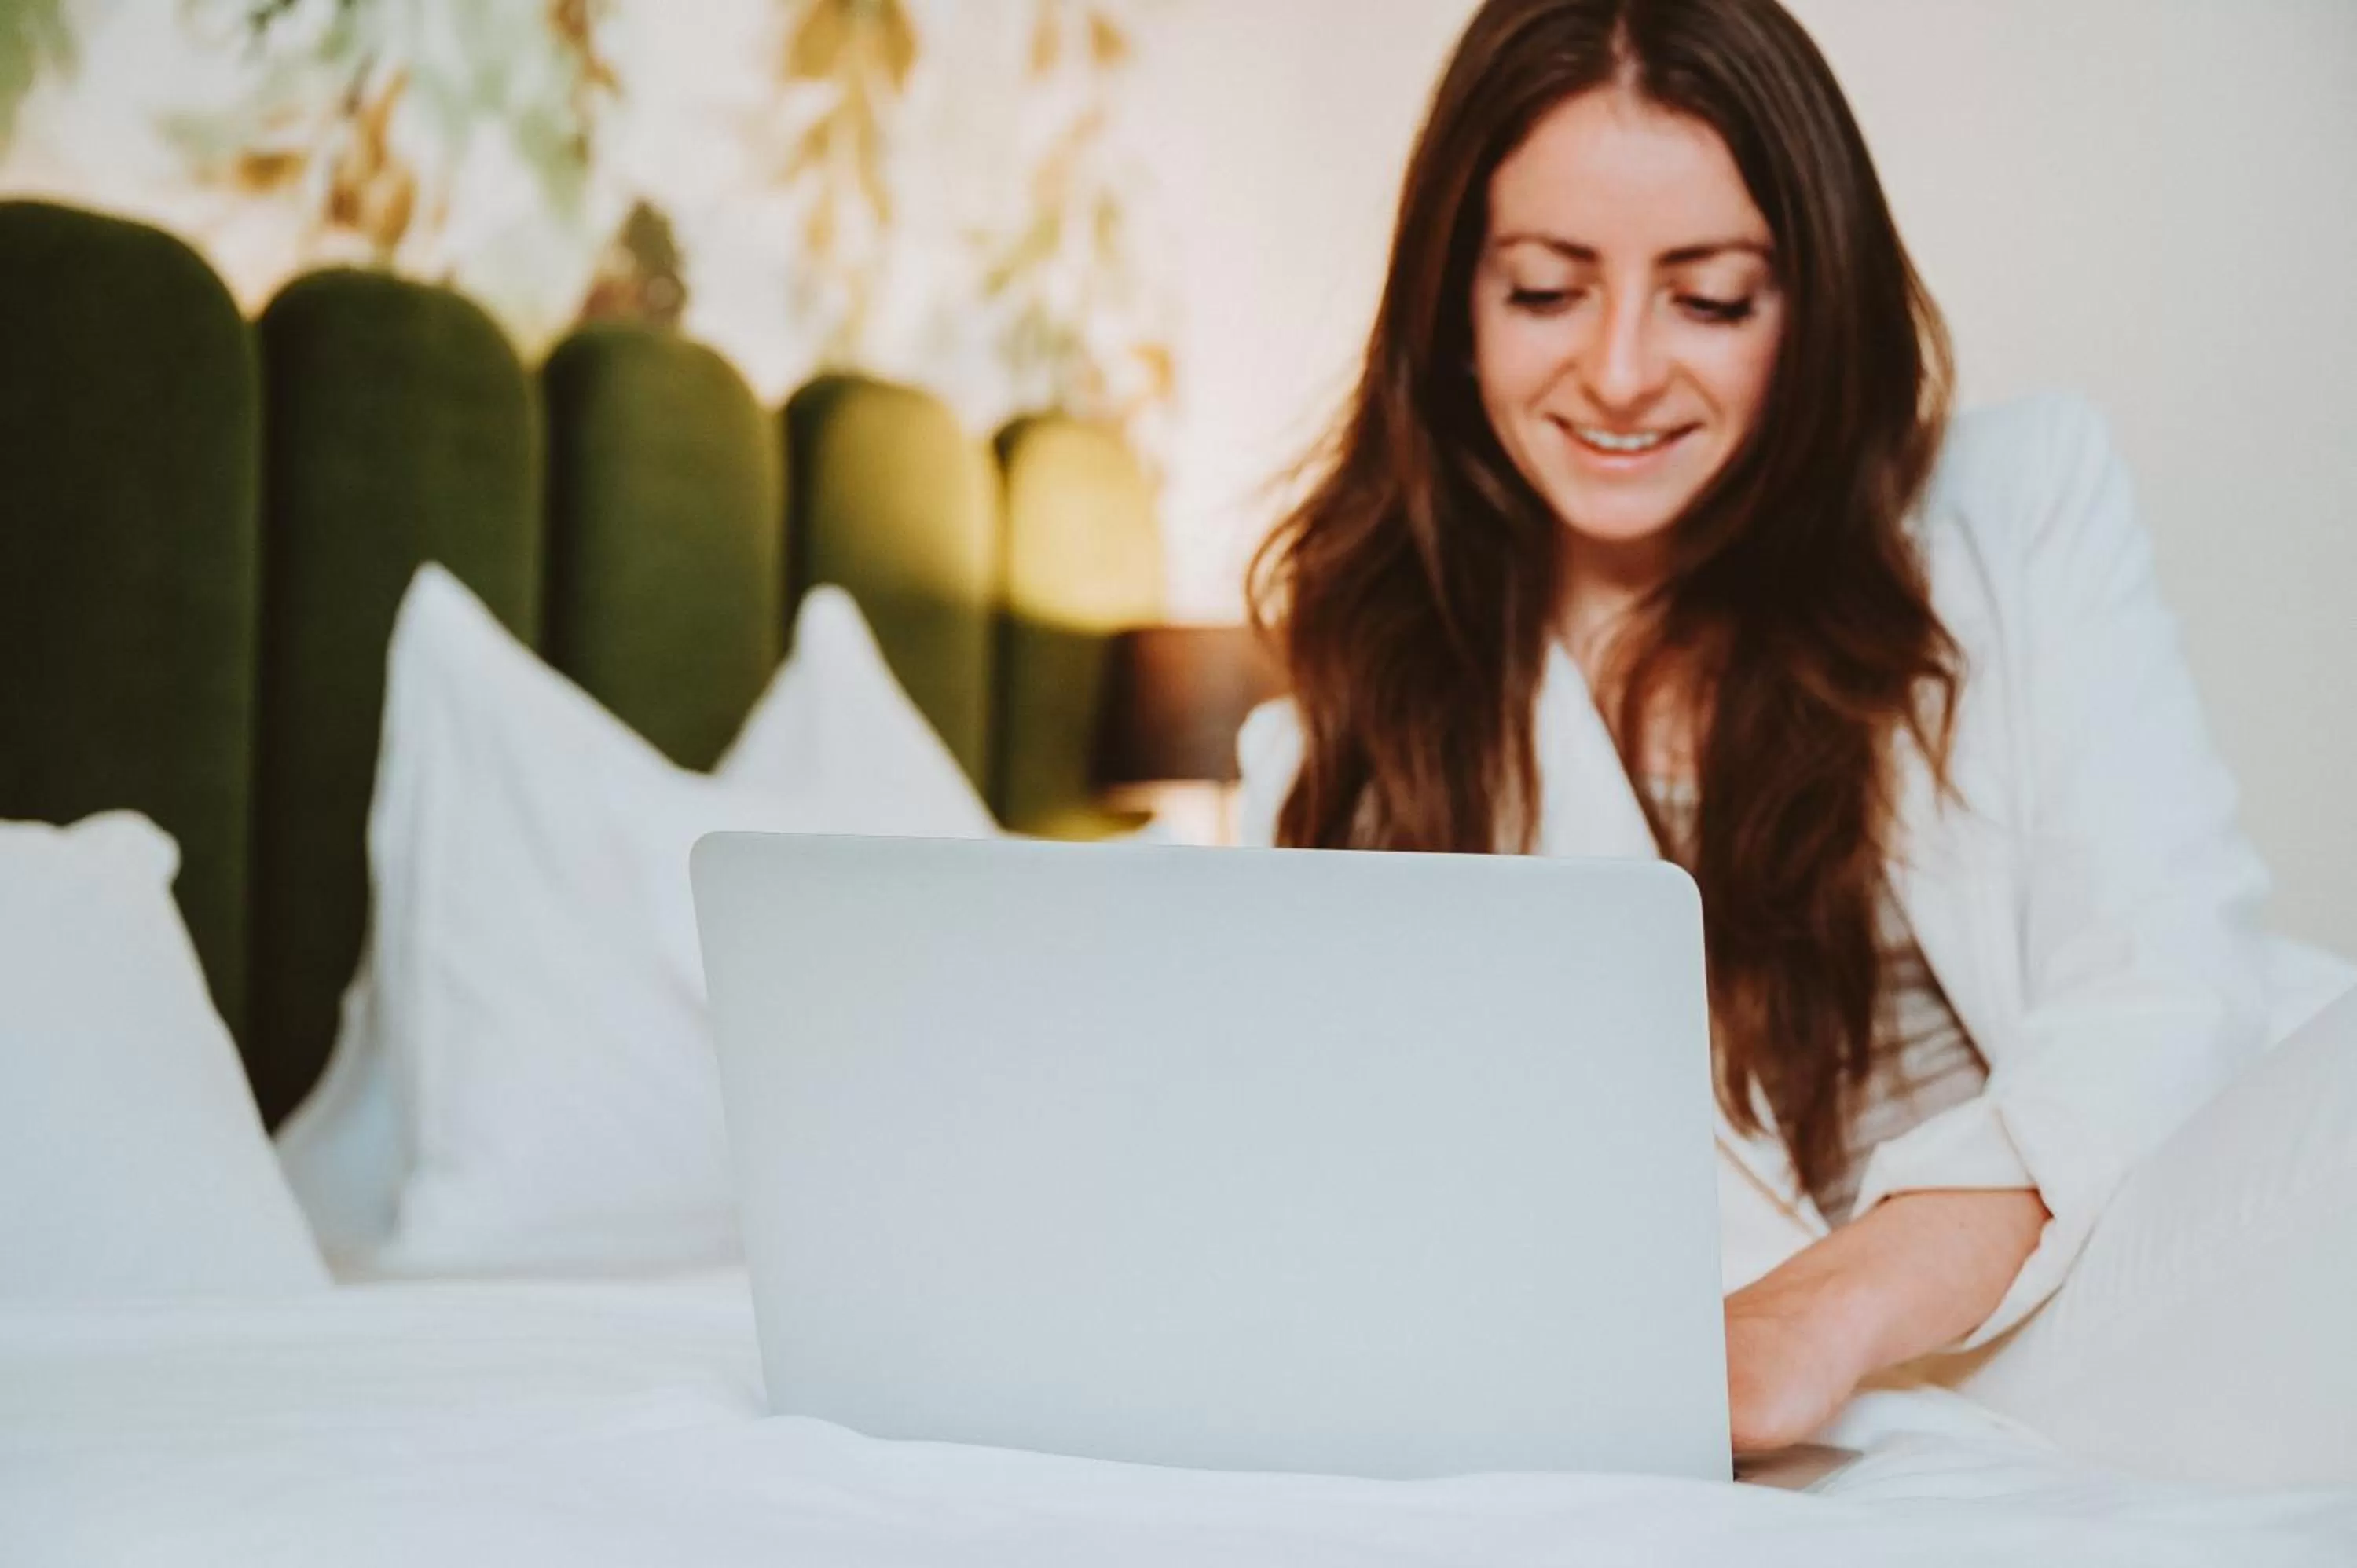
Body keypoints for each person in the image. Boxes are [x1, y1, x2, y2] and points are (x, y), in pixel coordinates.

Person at [1235, 0, 2356, 1468]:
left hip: (2154, 1273)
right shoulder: (1349, 748)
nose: (1621, 372)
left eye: (1709, 300)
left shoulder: (2019, 505)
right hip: (1818, 1418)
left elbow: (2168, 981)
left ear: (1813, 305)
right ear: (1454, 308)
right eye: (1546, 291)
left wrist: (1821, 1314)